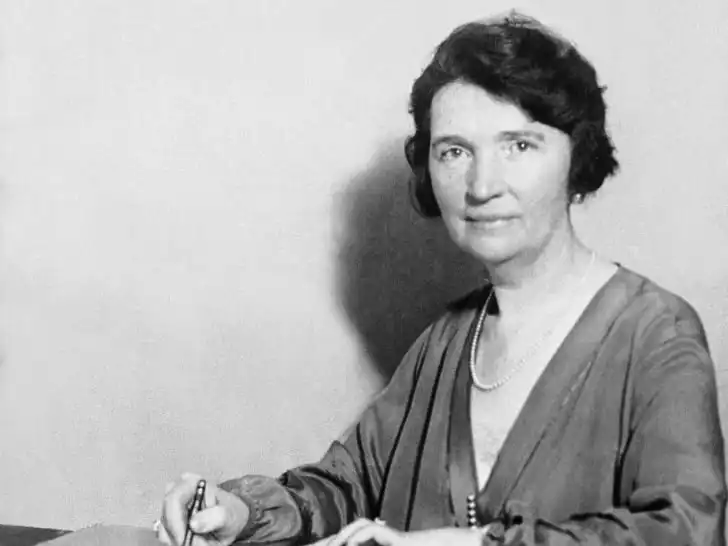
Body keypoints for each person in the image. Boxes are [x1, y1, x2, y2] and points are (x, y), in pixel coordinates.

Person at [156, 11, 726, 546]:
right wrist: (240, 513)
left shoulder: (655, 333)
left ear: (578, 158)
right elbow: (349, 486)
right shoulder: (450, 339)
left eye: (519, 145)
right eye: (454, 151)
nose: (482, 185)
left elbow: (686, 529)